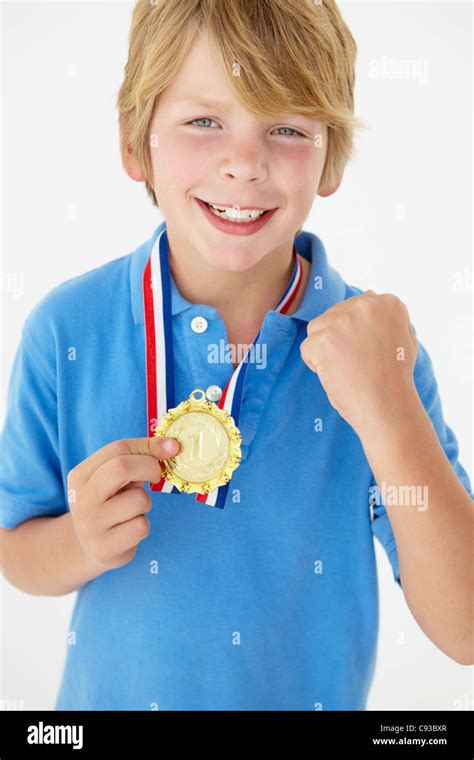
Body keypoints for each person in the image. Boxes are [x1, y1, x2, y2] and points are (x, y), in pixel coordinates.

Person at [0, 0, 472, 711]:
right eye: (203, 121)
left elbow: (466, 629)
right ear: (136, 145)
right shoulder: (66, 330)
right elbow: (15, 546)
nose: (244, 164)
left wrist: (390, 413)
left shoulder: (382, 353)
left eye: (286, 128)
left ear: (331, 159)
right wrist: (80, 543)